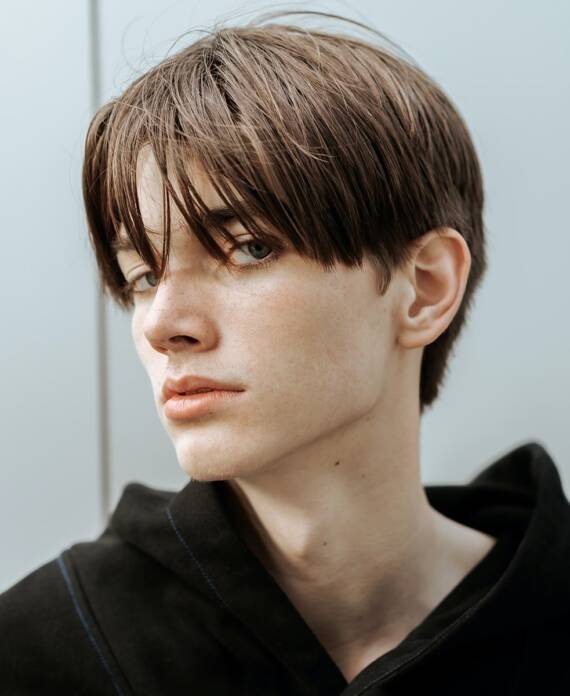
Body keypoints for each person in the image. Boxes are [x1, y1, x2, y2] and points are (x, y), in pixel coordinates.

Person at [1, 10, 568, 695]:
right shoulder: (41, 653)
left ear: (424, 288)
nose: (163, 325)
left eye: (248, 249)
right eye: (142, 275)